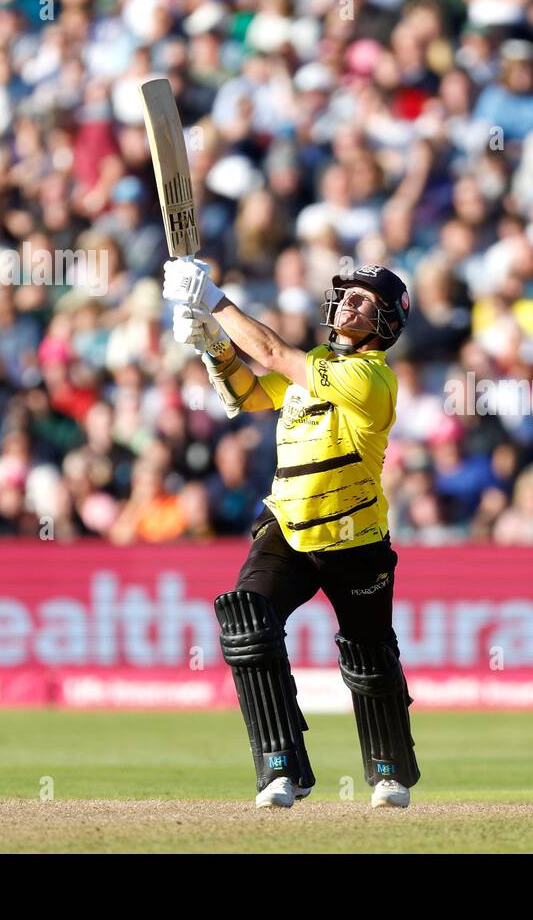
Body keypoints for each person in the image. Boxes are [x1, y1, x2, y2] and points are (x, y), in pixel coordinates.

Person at [163, 258, 420, 809]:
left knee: (369, 656)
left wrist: (214, 299)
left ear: (387, 322)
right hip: (287, 524)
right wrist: (214, 346)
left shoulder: (371, 378)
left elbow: (276, 355)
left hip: (355, 539)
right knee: (246, 617)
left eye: (364, 299)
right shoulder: (320, 362)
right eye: (345, 293)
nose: (348, 302)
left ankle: (388, 771)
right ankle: (282, 768)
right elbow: (252, 395)